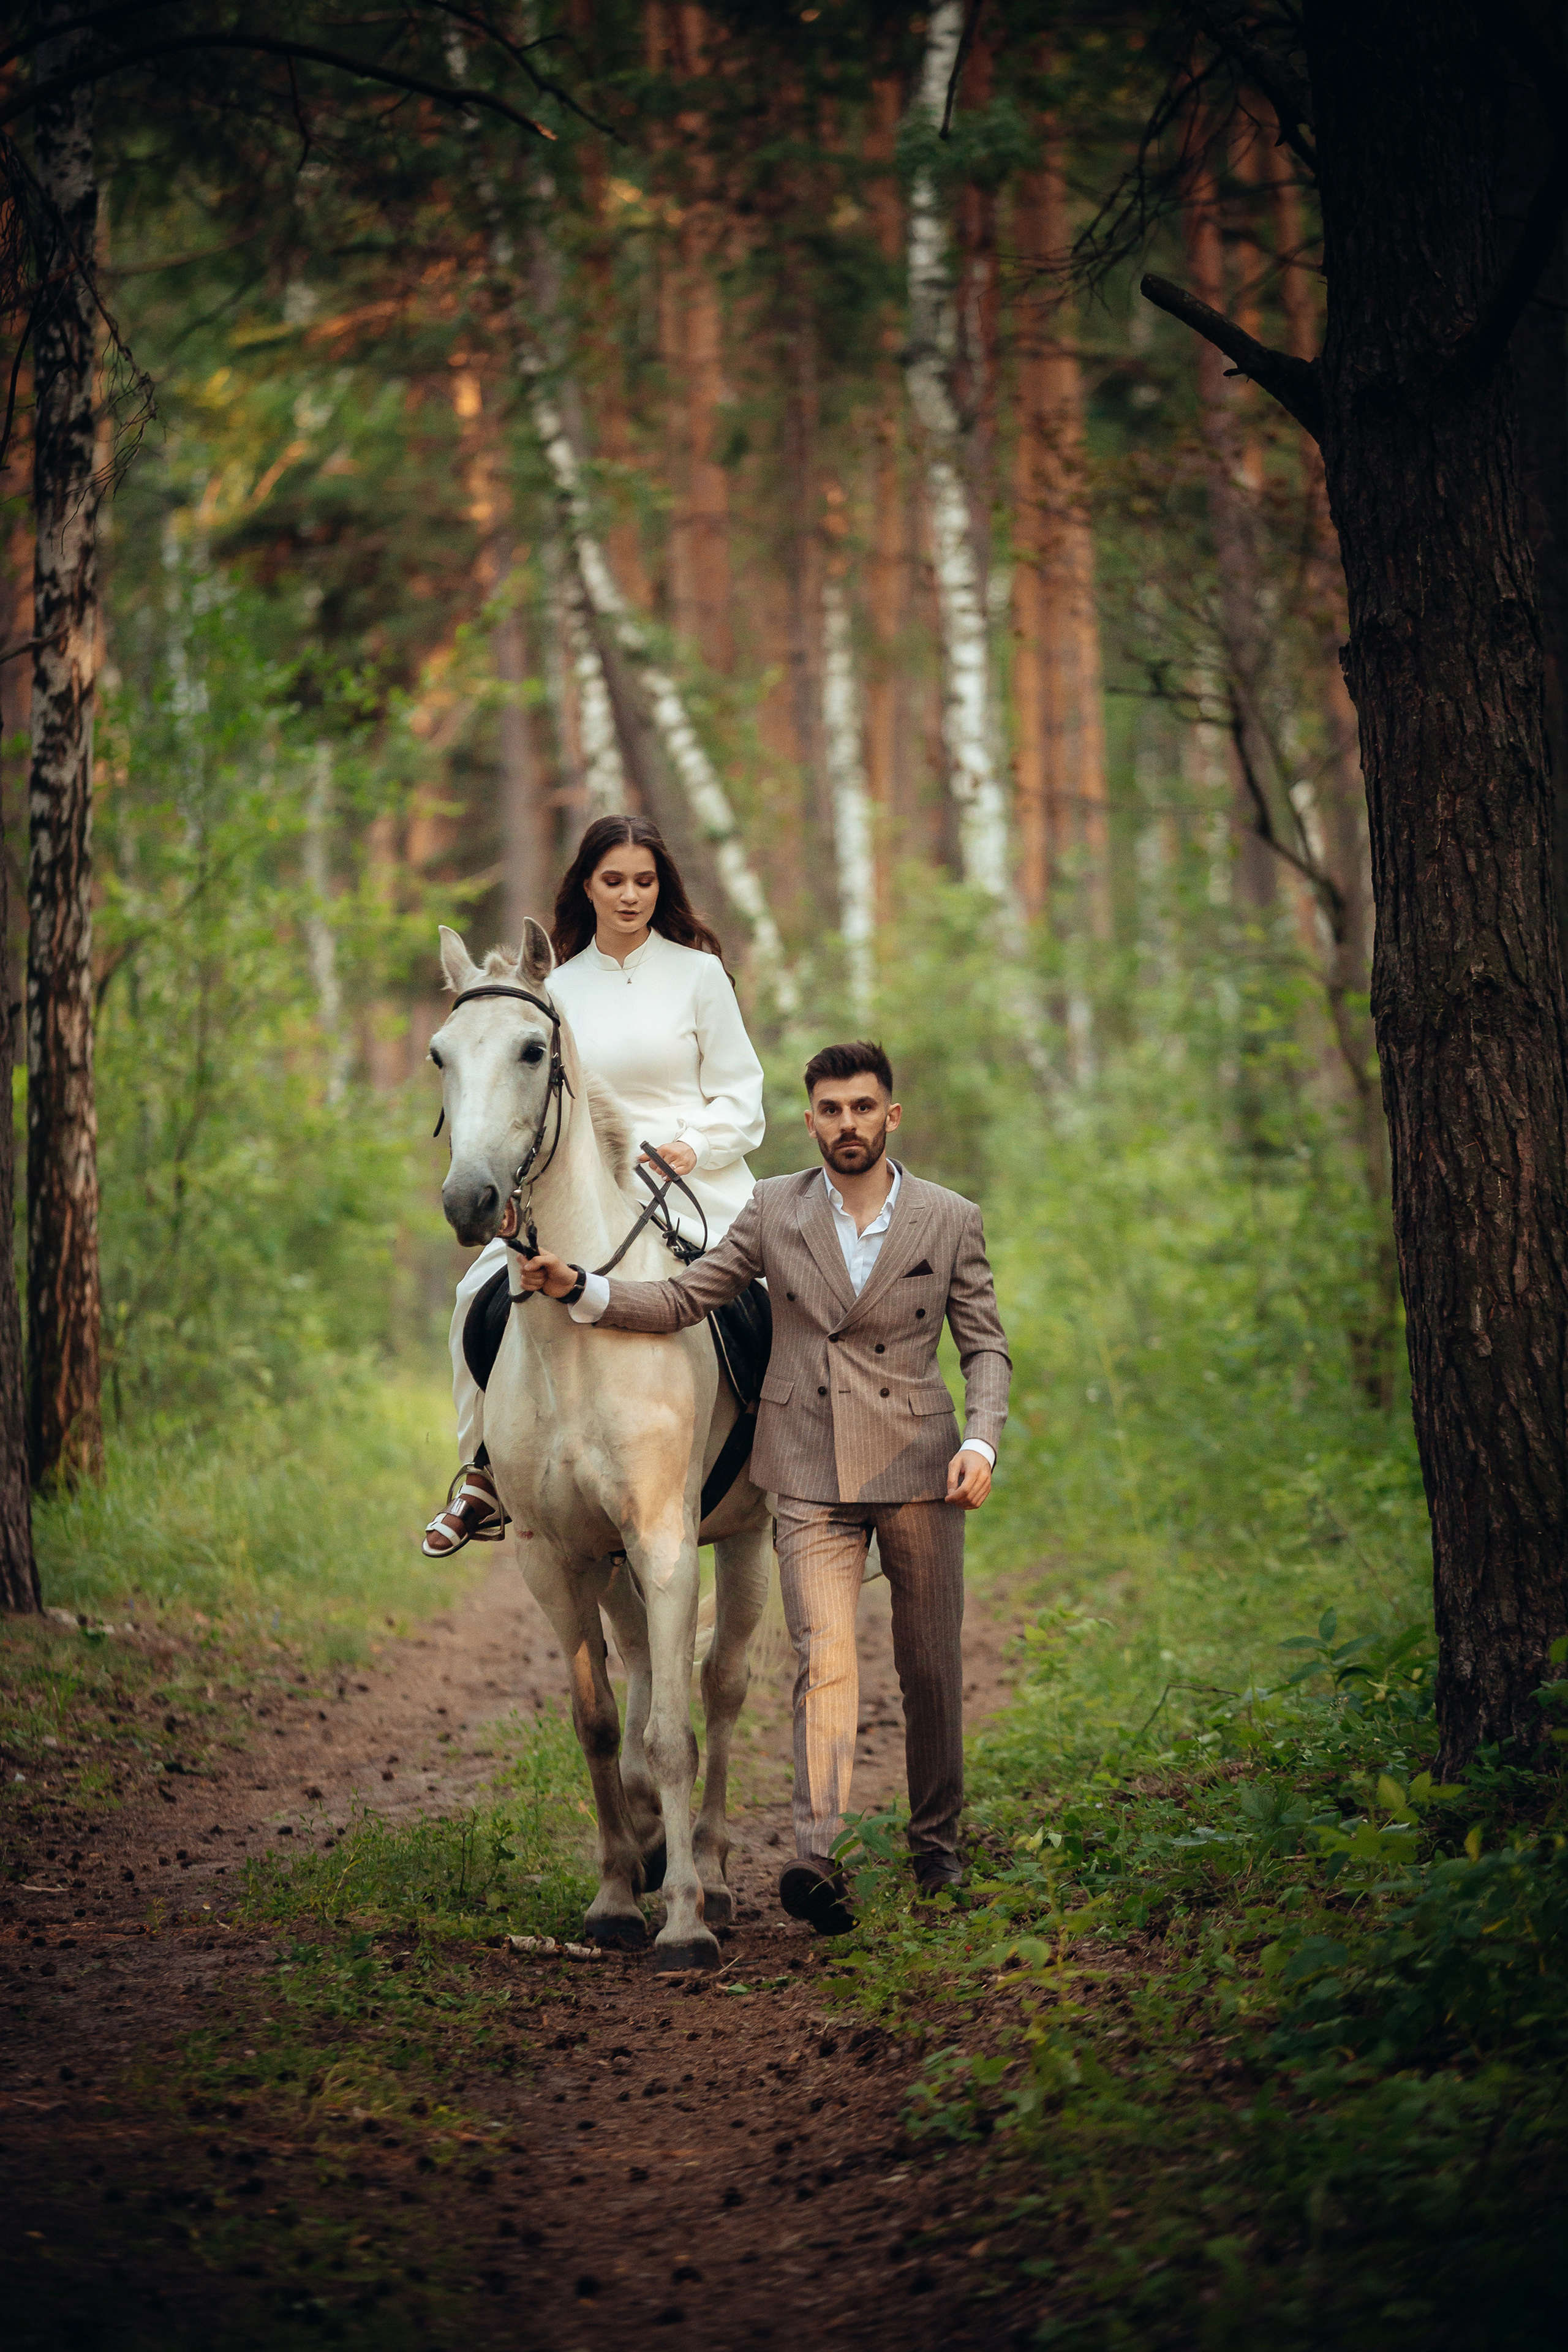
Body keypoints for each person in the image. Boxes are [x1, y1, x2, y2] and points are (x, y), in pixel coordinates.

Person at [515, 1041, 1011, 1931]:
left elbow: (985, 1344)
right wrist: (585, 1289)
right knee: (822, 1661)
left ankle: (937, 1850)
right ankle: (819, 1858)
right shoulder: (772, 1209)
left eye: (863, 1108)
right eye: (830, 1109)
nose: (846, 1124)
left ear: (890, 1117)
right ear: (810, 1118)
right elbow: (683, 1301)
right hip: (809, 1469)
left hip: (920, 1469)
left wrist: (982, 1440)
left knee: (930, 1668)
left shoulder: (949, 1217)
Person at [423, 815, 766, 1558]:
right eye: (613, 880)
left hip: (692, 1178)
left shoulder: (699, 975)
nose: (630, 895)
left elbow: (743, 1097)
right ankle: (483, 1468)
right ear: (586, 885)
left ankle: (799, 1451)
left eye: (644, 881)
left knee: (775, 1290)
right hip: (577, 1182)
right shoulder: (552, 988)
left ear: (660, 886)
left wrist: (690, 1145)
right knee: (471, 1295)